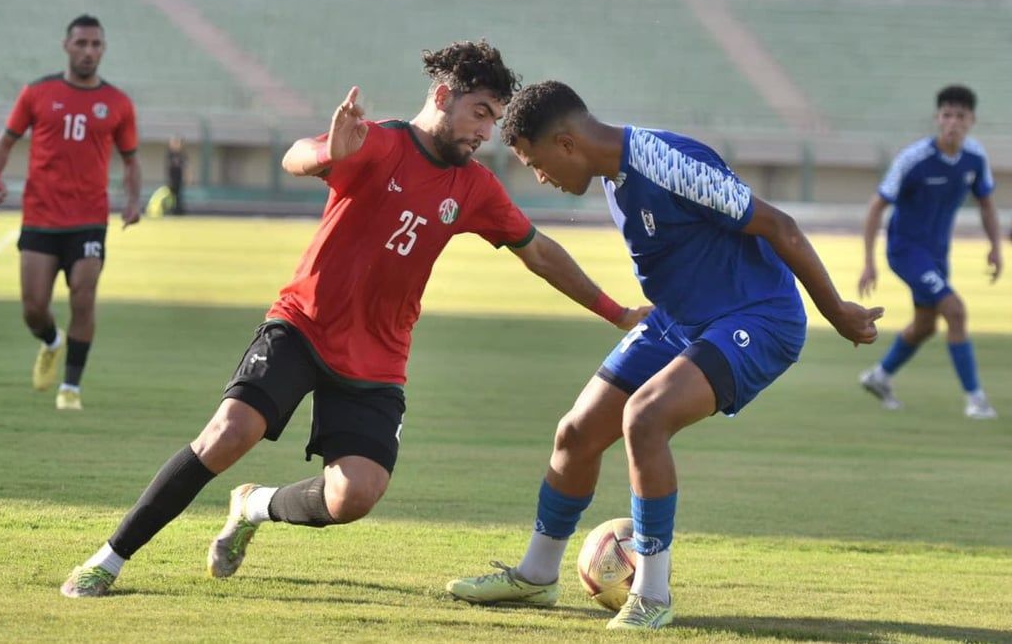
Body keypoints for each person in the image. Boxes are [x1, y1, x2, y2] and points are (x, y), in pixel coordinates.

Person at [58, 41, 651, 599]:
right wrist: (328, 153)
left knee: (355, 496)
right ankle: (106, 561)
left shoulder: (474, 187)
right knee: (227, 434)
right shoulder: (379, 143)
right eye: (479, 113)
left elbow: (540, 252)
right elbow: (298, 155)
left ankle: (252, 507)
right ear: (442, 97)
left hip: (378, 358)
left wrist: (617, 311)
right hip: (304, 325)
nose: (486, 132)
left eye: (494, 120)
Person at [446, 81, 882, 630]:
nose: (541, 178)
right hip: (680, 317)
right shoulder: (611, 170)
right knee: (576, 432)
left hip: (757, 317)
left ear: (565, 143)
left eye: (536, 164)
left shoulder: (665, 161)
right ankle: (536, 576)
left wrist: (838, 311)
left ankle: (652, 595)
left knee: (645, 418)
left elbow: (778, 226)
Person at [0, 14, 141, 411]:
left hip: (89, 218)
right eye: (82, 43)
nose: (89, 51)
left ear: (103, 49)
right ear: (66, 45)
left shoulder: (118, 103)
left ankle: (70, 387)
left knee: (83, 297)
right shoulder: (38, 93)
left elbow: (132, 160)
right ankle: (51, 341)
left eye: (96, 45)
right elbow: (5, 141)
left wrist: (133, 200)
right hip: (40, 215)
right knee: (33, 308)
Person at [858, 85, 1000, 420]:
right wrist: (869, 261)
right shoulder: (913, 159)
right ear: (938, 118)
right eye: (947, 115)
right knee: (955, 310)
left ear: (971, 120)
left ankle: (879, 377)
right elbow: (876, 206)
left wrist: (995, 247)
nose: (953, 122)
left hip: (937, 255)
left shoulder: (975, 159)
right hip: (906, 251)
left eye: (960, 116)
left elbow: (987, 205)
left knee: (925, 326)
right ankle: (976, 399)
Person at [166, 135, 186, 215]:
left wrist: (187, 177)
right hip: (172, 179)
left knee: (178, 195)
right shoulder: (170, 154)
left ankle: (179, 210)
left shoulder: (182, 155)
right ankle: (171, 209)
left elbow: (185, 167)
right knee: (171, 195)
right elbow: (168, 167)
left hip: (179, 179)